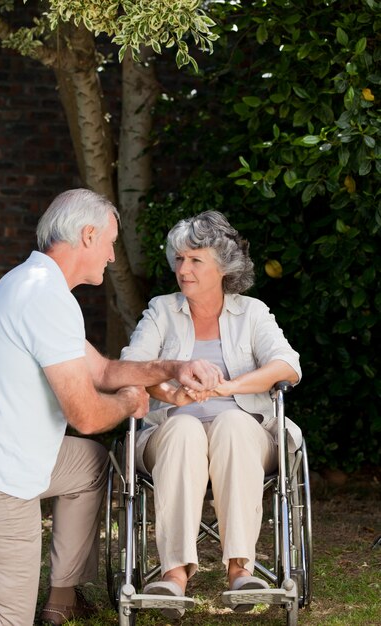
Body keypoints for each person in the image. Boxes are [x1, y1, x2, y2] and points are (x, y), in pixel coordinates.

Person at [0, 189, 223, 626]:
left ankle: (62, 597)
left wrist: (176, 366)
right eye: (110, 242)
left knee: (91, 465)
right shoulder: (45, 298)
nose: (112, 256)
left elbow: (106, 372)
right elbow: (88, 415)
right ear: (88, 236)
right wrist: (132, 402)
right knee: (4, 619)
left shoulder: (37, 282)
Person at [120, 210, 302, 617]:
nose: (183, 269)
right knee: (184, 427)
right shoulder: (161, 311)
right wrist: (171, 393)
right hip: (169, 434)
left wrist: (229, 387)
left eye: (195, 260)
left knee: (233, 422)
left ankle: (241, 570)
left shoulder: (252, 313)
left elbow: (288, 366)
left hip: (247, 434)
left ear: (223, 267)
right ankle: (174, 575)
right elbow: (132, 366)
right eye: (179, 259)